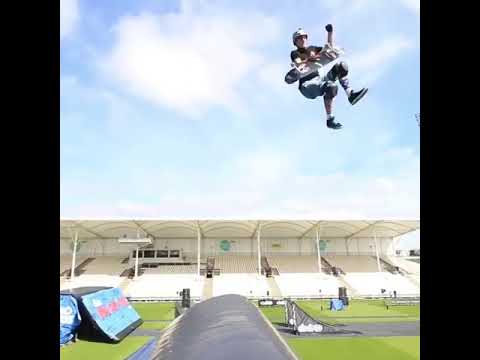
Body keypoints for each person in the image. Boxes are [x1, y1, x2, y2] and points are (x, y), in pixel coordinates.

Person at [289, 25, 368, 129]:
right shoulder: (295, 53)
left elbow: (329, 48)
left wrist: (330, 33)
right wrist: (309, 60)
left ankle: (351, 95)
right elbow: (299, 64)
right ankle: (330, 119)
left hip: (320, 80)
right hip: (306, 86)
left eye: (304, 37)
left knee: (341, 67)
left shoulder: (313, 48)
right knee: (330, 86)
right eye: (299, 38)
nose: (302, 39)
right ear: (295, 42)